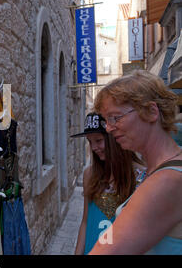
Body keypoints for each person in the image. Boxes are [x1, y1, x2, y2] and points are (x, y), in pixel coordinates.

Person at [90, 70, 182, 254]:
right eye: (106, 120)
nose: (108, 128)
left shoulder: (167, 180)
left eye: (115, 118)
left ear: (151, 111)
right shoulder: (159, 170)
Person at [72, 112, 145, 255]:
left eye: (98, 140)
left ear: (114, 138)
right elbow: (86, 221)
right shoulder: (90, 174)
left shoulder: (141, 177)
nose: (93, 148)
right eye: (90, 141)